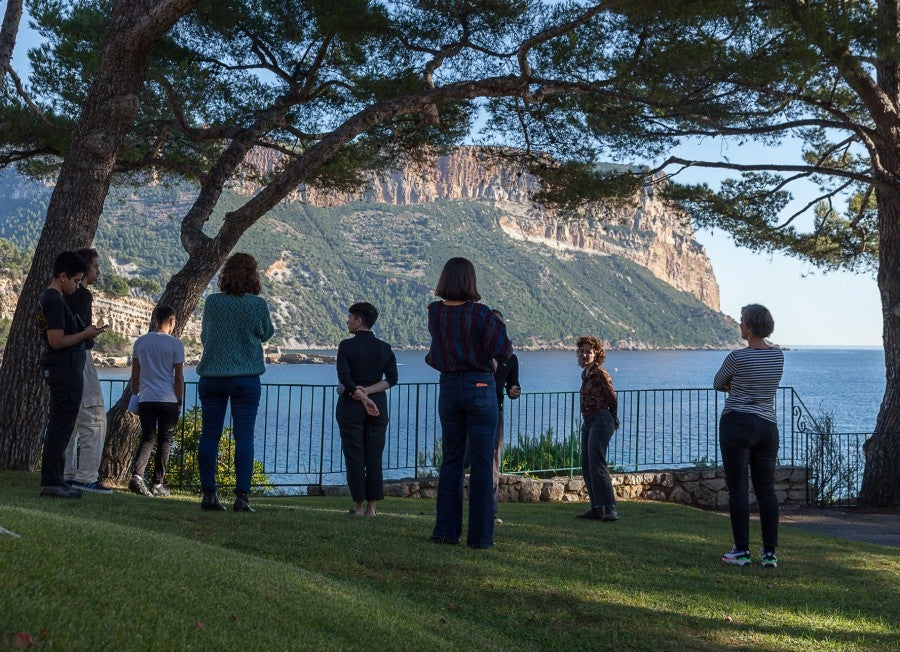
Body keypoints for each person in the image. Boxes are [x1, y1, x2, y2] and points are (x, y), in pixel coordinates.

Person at [426, 257, 511, 548]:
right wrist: (488, 359)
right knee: (483, 462)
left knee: (451, 460)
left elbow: (437, 351)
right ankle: (480, 537)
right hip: (479, 386)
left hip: (449, 386)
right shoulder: (482, 314)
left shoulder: (434, 312)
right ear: (470, 281)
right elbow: (504, 349)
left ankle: (446, 532)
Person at [196, 253, 274, 513]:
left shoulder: (213, 302)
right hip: (245, 379)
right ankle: (242, 498)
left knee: (209, 435)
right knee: (244, 437)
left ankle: (209, 493)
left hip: (212, 377)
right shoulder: (257, 304)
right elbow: (265, 333)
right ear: (253, 275)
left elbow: (205, 336)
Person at [714, 303, 784, 569]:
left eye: (743, 321)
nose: (740, 325)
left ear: (751, 326)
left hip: (737, 424)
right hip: (767, 426)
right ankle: (769, 554)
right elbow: (767, 384)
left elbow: (718, 383)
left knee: (738, 489)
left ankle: (741, 551)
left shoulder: (736, 357)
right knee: (766, 490)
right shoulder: (778, 357)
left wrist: (737, 386)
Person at [36, 251, 103, 498]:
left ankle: (55, 480)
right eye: (75, 280)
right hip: (63, 368)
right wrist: (85, 334)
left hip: (65, 367)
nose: (77, 285)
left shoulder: (53, 297)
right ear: (62, 276)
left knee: (62, 426)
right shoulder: (53, 300)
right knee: (60, 426)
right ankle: (52, 481)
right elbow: (56, 340)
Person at [335, 302, 398, 517]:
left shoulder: (346, 346)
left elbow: (344, 378)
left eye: (350, 317)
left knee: (354, 455)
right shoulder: (385, 347)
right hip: (378, 407)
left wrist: (360, 395)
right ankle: (372, 508)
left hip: (350, 407)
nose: (347, 321)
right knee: (374, 456)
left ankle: (359, 507)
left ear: (359, 321)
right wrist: (369, 394)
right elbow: (392, 379)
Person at [62, 248, 112, 494]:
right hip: (80, 358)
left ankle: (67, 472)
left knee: (67, 418)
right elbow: (80, 330)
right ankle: (86, 477)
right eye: (95, 267)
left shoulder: (56, 293)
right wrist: (90, 334)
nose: (98, 271)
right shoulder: (83, 296)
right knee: (94, 417)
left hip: (61, 361)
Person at [128, 304, 185, 498]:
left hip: (146, 398)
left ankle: (137, 476)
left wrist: (135, 396)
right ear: (172, 321)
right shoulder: (175, 344)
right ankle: (157, 483)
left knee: (147, 438)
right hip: (168, 399)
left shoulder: (140, 342)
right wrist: (179, 400)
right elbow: (178, 376)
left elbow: (135, 374)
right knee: (164, 441)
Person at [575, 335, 620, 521]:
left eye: (589, 352)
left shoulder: (601, 374)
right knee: (587, 464)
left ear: (596, 354)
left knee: (597, 462)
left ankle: (610, 508)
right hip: (589, 421)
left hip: (602, 420)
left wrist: (614, 418)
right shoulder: (585, 373)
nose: (585, 355)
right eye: (582, 351)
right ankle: (596, 507)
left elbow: (612, 397)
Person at [489, 310, 520, 523]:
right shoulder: (478, 352)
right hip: (474, 409)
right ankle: (447, 506)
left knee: (493, 461)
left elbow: (513, 385)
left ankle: (489, 510)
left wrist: (514, 391)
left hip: (496, 410)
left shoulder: (511, 358)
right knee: (460, 458)